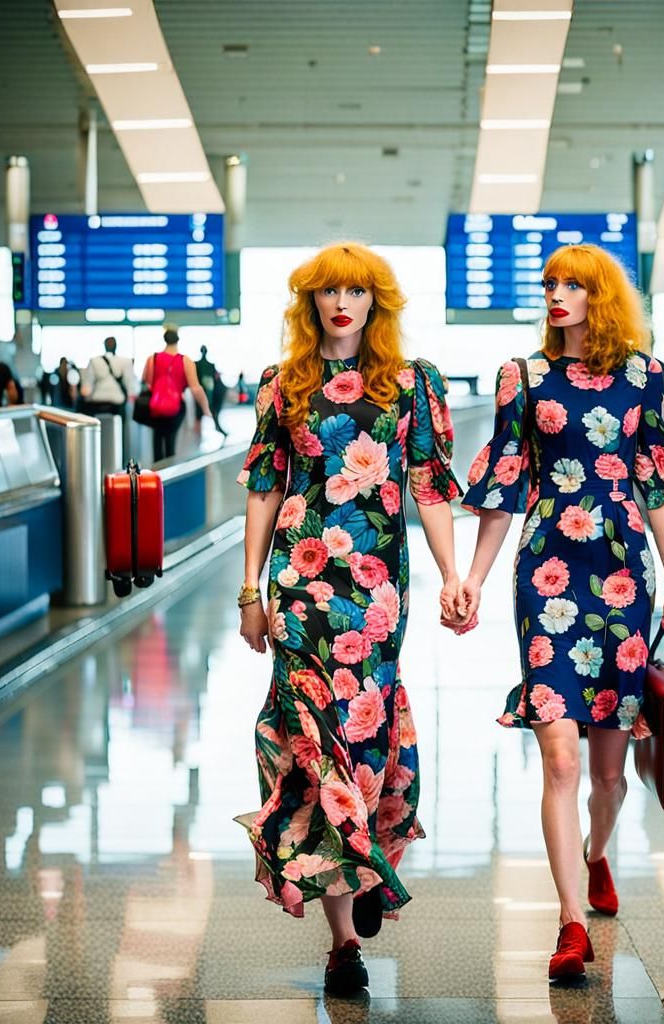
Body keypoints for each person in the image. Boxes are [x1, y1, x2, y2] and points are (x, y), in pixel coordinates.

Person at [457, 243, 664, 981]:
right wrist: (472, 579)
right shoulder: (523, 377)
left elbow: (656, 484)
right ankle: (569, 923)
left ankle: (597, 853)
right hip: (547, 573)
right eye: (550, 283)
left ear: (602, 296)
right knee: (560, 757)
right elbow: (504, 487)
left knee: (608, 775)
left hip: (623, 575)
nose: (557, 294)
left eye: (573, 284)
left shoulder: (643, 377)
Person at [236, 242, 465, 997]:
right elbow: (265, 488)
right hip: (300, 586)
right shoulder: (283, 385)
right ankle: (343, 944)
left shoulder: (410, 383)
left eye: (356, 291)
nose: (342, 303)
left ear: (375, 302)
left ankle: (365, 855)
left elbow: (429, 487)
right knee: (312, 743)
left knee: (364, 737)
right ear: (311, 302)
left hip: (375, 592)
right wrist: (250, 592)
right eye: (328, 291)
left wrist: (452, 575)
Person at [141, 327, 212, 462]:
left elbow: (147, 381)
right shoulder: (185, 360)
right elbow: (195, 387)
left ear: (164, 340)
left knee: (157, 440)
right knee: (171, 440)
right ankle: (170, 466)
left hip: (156, 405)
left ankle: (158, 469)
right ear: (177, 340)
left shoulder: (152, 358)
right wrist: (205, 408)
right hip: (176, 406)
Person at [80, 336, 136, 418]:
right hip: (117, 400)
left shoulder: (94, 361)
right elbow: (129, 382)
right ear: (116, 346)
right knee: (118, 424)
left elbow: (88, 383)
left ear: (104, 346)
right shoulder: (125, 361)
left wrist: (86, 398)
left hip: (97, 399)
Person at [195, 344, 228, 434]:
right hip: (209, 394)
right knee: (212, 413)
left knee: (199, 416)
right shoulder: (210, 365)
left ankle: (198, 436)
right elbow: (215, 378)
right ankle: (216, 428)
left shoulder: (197, 364)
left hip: (200, 393)